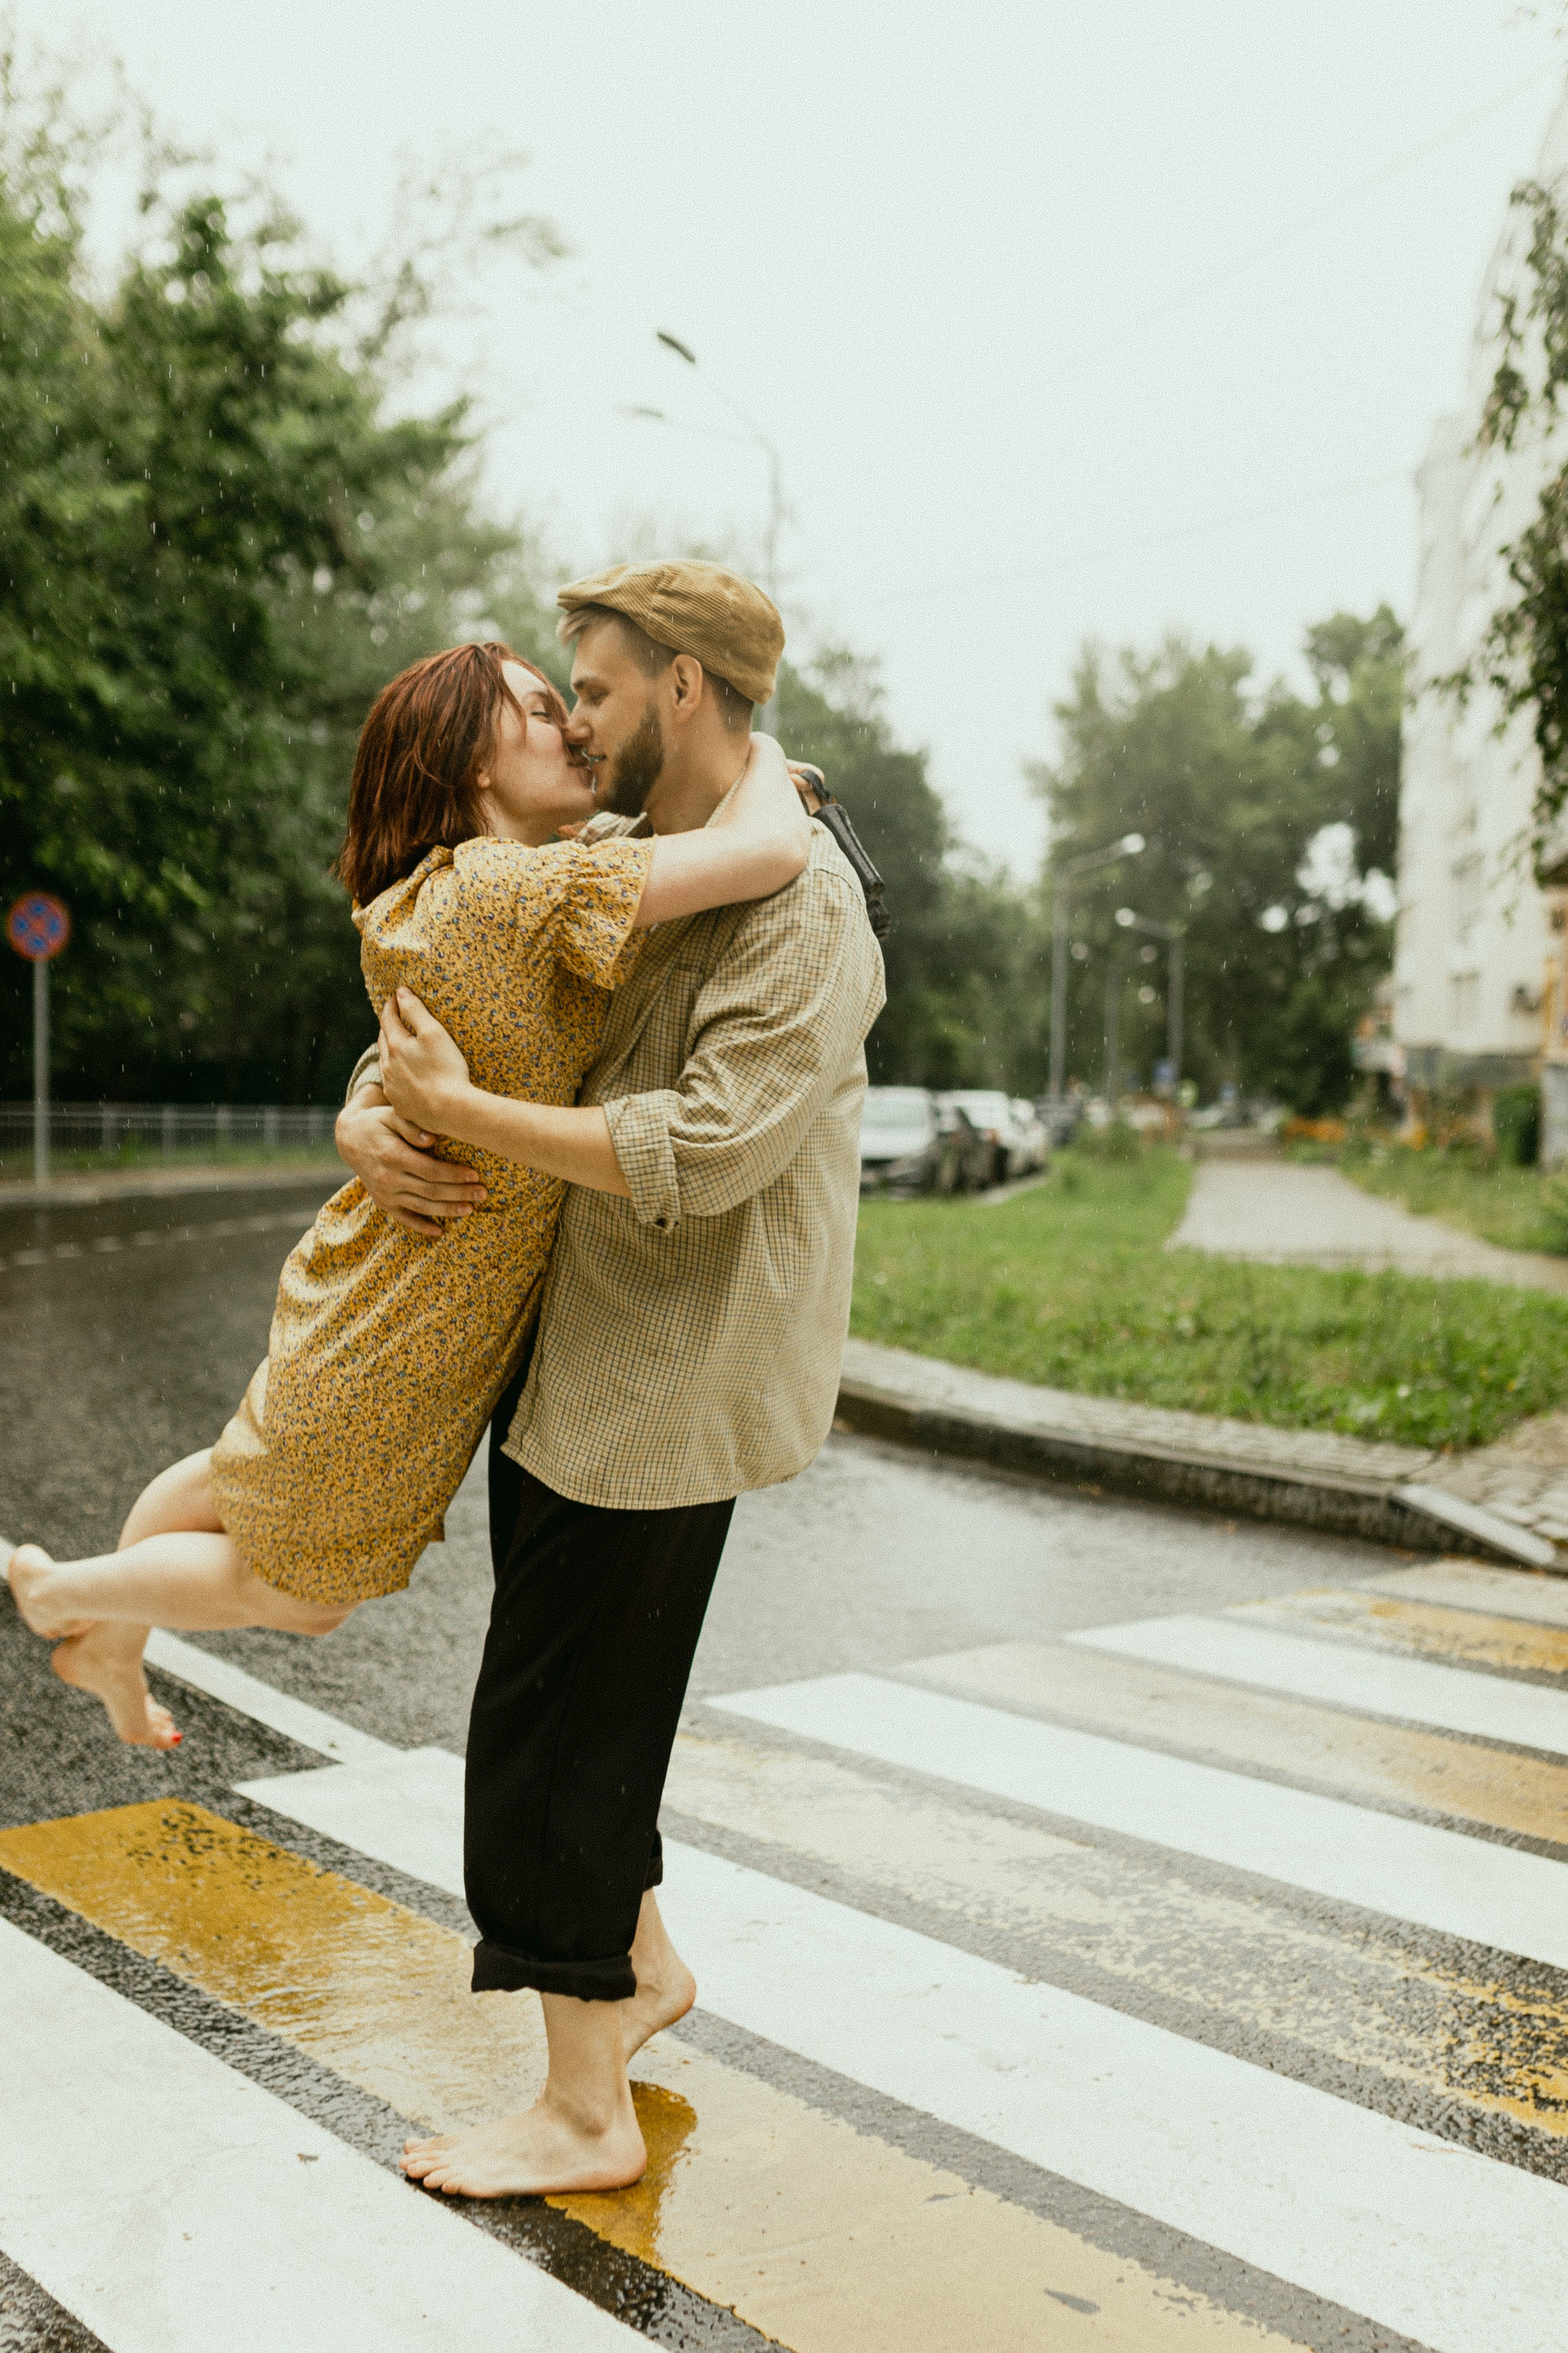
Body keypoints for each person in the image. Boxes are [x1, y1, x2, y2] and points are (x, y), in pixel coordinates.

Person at [334, 558, 885, 2203]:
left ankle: (584, 2115)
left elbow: (702, 1154)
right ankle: (634, 1977)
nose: (575, 717)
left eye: (595, 685)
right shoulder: (626, 859)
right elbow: (457, 1015)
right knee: (587, 1720)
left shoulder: (804, 909)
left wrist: (478, 1126)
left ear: (686, 688)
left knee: (551, 1749)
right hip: (569, 1359)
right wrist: (369, 1113)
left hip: (670, 1377)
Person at [4, 639, 813, 1752]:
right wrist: (756, 742)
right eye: (539, 711)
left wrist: (361, 1111)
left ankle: (112, 1639)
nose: (572, 727)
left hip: (378, 1282)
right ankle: (67, 1595)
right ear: (474, 765)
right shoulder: (506, 888)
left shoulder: (468, 885)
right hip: (405, 1323)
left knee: (241, 1478)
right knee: (306, 1594)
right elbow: (771, 851)